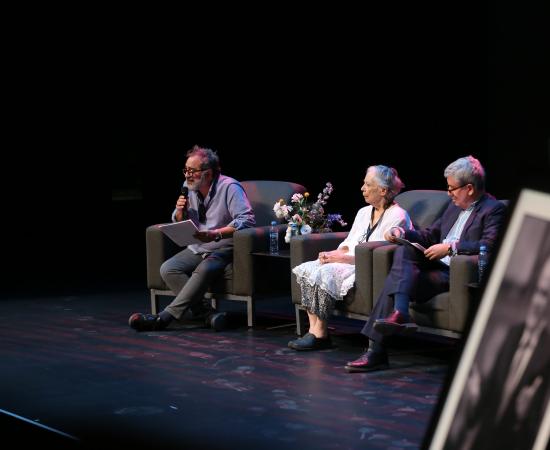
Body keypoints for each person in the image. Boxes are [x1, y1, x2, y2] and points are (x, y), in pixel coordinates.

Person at [346, 155, 507, 372]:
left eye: (452, 188)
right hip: (435, 265)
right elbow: (430, 235)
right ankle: (399, 314)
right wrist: (402, 232)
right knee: (404, 249)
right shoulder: (453, 207)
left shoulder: (493, 209)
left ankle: (377, 350)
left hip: (456, 273)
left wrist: (451, 247)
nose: (448, 193)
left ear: (469, 188)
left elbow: (489, 244)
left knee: (394, 282)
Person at [129, 145, 256, 332]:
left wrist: (216, 233)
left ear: (208, 173)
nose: (187, 175)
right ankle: (207, 314)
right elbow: (180, 218)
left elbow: (247, 220)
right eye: (186, 170)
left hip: (224, 247)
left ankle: (164, 318)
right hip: (199, 246)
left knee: (204, 268)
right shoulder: (188, 187)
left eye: (192, 171)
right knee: (168, 268)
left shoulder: (230, 187)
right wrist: (181, 212)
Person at [287, 165, 413, 351]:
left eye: (367, 185)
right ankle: (313, 330)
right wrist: (334, 254)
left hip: (370, 267)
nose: (362, 188)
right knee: (308, 268)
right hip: (349, 260)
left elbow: (374, 254)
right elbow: (350, 241)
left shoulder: (398, 215)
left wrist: (339, 260)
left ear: (383, 190)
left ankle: (320, 334)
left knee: (326, 272)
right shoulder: (363, 212)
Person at [446, 241, 550, 450]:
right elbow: (493, 389)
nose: (540, 304)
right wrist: (477, 391)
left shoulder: (546, 351)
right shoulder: (514, 332)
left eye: (548, 297)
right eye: (540, 293)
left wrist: (525, 414)